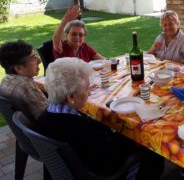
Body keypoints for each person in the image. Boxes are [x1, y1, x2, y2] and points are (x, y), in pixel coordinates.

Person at [35, 57, 164, 178]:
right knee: (153, 152)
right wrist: (131, 135)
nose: (90, 92)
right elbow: (111, 162)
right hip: (101, 172)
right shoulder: (82, 129)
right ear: (70, 97)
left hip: (66, 172)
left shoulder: (42, 119)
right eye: (86, 89)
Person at [0, 40, 47, 120]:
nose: (39, 60)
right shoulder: (27, 87)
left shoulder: (5, 80)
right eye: (33, 58)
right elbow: (49, 117)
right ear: (18, 68)